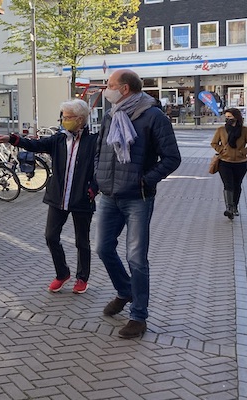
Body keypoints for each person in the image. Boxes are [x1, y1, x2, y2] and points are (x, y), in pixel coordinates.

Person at [95, 69, 181, 339]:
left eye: (109, 85)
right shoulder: (111, 116)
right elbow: (101, 150)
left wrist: (146, 180)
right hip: (109, 195)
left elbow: (172, 158)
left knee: (136, 258)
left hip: (138, 198)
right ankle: (125, 291)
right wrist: (97, 177)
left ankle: (138, 317)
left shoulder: (153, 116)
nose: (105, 90)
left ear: (124, 89)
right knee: (103, 249)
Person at [0, 99, 99, 294]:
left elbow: (101, 168)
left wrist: (93, 188)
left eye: (67, 117)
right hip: (58, 196)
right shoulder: (59, 139)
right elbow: (35, 144)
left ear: (80, 119)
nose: (63, 121)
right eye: (62, 117)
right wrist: (12, 139)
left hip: (82, 198)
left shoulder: (94, 140)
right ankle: (62, 273)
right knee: (51, 236)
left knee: (82, 241)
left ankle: (82, 277)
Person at [210, 108, 247, 219]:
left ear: (236, 117)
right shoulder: (221, 130)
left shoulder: (245, 130)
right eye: (226, 117)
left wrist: (243, 151)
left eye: (230, 117)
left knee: (237, 185)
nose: (228, 119)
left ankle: (235, 206)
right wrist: (222, 150)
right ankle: (229, 208)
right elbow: (214, 143)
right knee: (228, 185)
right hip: (224, 162)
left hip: (241, 163)